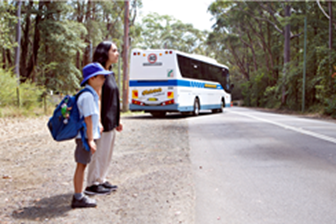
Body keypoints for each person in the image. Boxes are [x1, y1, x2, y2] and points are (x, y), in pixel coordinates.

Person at [71, 62, 112, 208]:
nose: (103, 80)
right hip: (84, 137)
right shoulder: (88, 96)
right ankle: (78, 197)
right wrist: (90, 140)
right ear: (92, 79)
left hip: (85, 136)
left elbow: (92, 118)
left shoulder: (90, 95)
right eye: (101, 77)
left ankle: (78, 195)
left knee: (82, 165)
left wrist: (98, 126)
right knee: (81, 166)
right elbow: (87, 118)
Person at [84, 41, 123, 195]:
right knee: (98, 153)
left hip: (111, 121)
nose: (117, 53)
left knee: (107, 152)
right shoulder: (98, 73)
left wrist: (118, 119)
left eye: (117, 50)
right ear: (104, 52)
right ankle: (92, 183)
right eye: (114, 50)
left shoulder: (110, 73)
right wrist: (98, 121)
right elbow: (97, 98)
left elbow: (113, 98)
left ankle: (101, 179)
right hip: (101, 121)